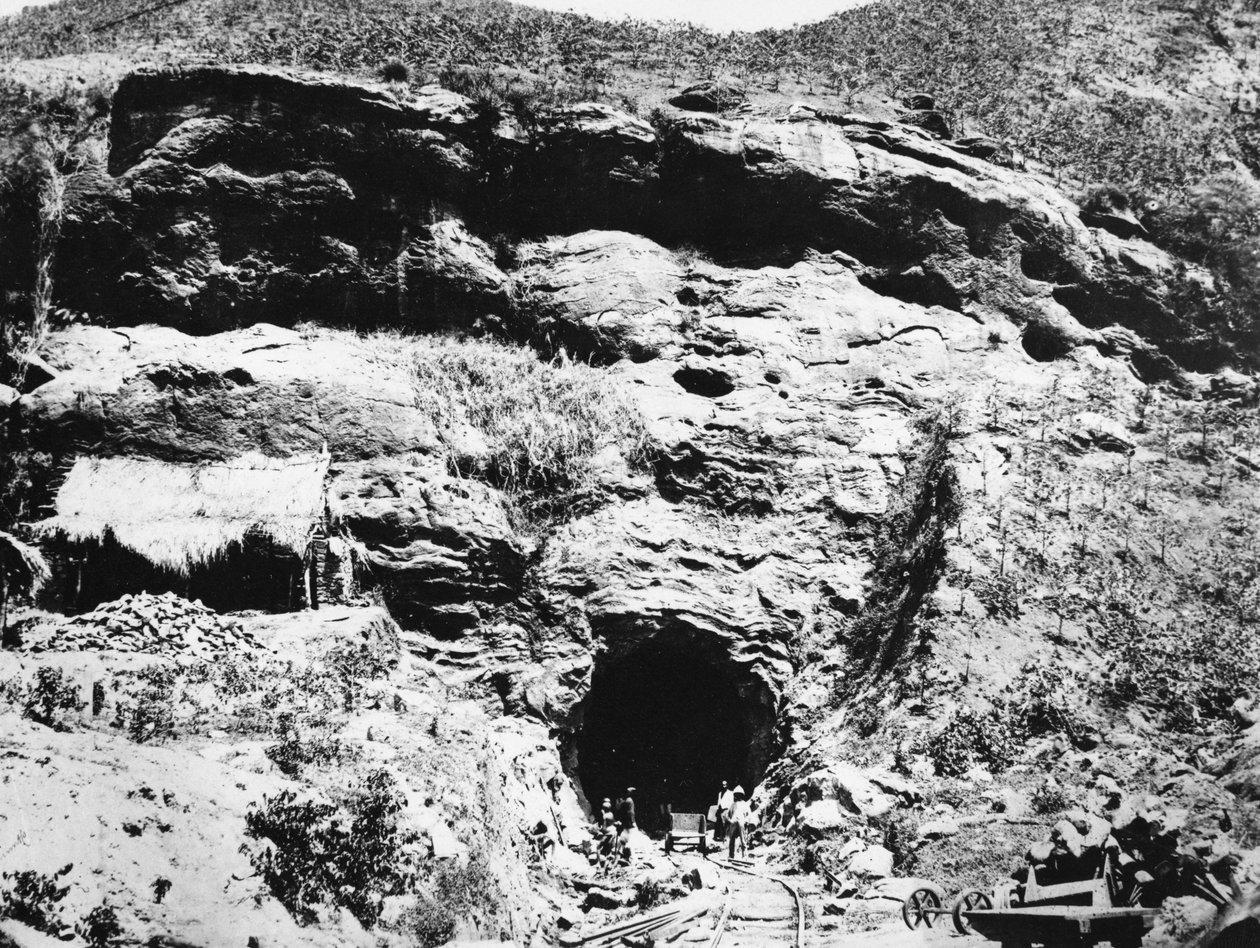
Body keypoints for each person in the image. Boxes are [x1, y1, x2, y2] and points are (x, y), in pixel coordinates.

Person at [728, 786, 750, 859]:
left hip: (741, 822)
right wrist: (730, 820)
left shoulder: (745, 804)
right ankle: (731, 855)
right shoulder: (733, 805)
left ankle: (745, 855)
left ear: (742, 795)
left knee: (743, 839)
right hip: (733, 822)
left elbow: (749, 814)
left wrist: (746, 821)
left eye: (739, 794)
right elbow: (727, 815)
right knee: (731, 840)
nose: (737, 796)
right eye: (736, 794)